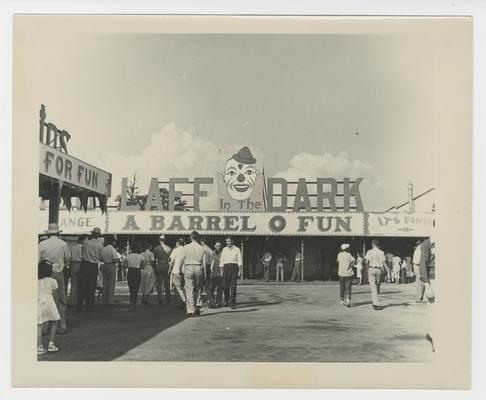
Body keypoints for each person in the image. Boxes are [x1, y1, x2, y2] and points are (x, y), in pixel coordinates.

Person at [38, 223, 71, 333]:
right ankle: (61, 326)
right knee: (61, 299)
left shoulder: (42, 244)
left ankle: (44, 328)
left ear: (48, 234)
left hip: (44, 274)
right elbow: (68, 259)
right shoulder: (63, 244)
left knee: (44, 298)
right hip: (58, 273)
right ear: (58, 233)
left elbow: (37, 261)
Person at [177, 231, 207, 317]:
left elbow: (181, 259)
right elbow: (204, 261)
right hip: (198, 267)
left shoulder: (186, 247)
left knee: (189, 289)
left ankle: (190, 309)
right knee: (198, 288)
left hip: (189, 267)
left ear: (191, 237)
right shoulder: (202, 248)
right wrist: (205, 272)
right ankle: (197, 306)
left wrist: (179, 269)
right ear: (198, 238)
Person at [77, 227, 103, 312]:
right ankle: (90, 307)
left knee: (81, 286)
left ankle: (79, 306)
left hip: (84, 265)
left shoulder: (85, 243)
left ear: (91, 234)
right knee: (91, 287)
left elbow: (82, 252)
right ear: (98, 235)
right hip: (93, 266)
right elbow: (100, 257)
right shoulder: (100, 245)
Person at [37, 260, 61, 355]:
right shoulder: (52, 281)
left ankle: (39, 346)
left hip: (38, 303)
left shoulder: (35, 281)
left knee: (39, 324)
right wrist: (57, 305)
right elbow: (55, 295)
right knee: (54, 322)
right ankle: (51, 344)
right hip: (50, 303)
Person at [420, 235, 436, 352]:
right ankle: (434, 339)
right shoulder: (428, 243)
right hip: (433, 280)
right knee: (434, 311)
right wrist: (427, 285)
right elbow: (422, 265)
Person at [221, 236, 243, 309]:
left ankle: (232, 303)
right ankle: (227, 299)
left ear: (232, 241)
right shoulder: (224, 249)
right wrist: (221, 270)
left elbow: (239, 260)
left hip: (234, 267)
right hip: (226, 267)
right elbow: (222, 260)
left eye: (229, 241)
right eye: (227, 241)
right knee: (224, 286)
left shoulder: (237, 249)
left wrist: (240, 270)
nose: (228, 243)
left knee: (233, 286)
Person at [365, 239, 386, 310]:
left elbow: (366, 261)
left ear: (372, 244)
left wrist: (367, 268)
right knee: (377, 285)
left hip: (371, 268)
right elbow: (384, 262)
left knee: (373, 287)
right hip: (379, 269)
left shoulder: (369, 252)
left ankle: (376, 303)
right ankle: (375, 302)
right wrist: (387, 270)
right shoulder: (381, 252)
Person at [100, 234, 120, 305]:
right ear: (112, 241)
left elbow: (101, 258)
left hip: (104, 265)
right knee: (111, 284)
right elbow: (115, 259)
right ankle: (110, 300)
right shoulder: (112, 249)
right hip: (111, 266)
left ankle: (104, 300)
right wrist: (118, 260)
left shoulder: (103, 248)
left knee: (105, 283)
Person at [68, 234, 87, 307]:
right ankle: (79, 301)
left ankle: (71, 301)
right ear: (82, 240)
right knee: (82, 284)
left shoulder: (73, 247)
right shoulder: (83, 247)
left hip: (73, 264)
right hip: (81, 264)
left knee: (73, 284)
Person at [153, 235, 172, 305]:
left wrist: (154, 267)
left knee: (159, 284)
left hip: (160, 265)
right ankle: (168, 298)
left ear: (159, 240)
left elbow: (154, 260)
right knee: (167, 284)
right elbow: (170, 259)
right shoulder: (168, 248)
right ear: (165, 240)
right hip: (166, 265)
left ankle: (160, 298)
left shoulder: (156, 249)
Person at [125, 242, 144, 311]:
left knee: (131, 288)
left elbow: (125, 266)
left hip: (130, 272)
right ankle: (134, 304)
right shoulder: (141, 257)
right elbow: (142, 266)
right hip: (137, 272)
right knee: (136, 288)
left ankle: (131, 304)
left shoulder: (127, 256)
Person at [169, 238, 187, 308]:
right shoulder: (186, 250)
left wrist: (170, 269)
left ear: (177, 243)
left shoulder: (175, 250)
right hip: (184, 271)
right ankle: (180, 302)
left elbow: (172, 261)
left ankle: (184, 301)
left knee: (177, 287)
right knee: (182, 287)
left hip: (176, 270)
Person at [208, 241, 223, 308]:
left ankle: (218, 302)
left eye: (219, 246)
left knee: (219, 289)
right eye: (217, 246)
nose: (218, 247)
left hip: (220, 274)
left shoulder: (222, 254)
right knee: (211, 289)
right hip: (213, 274)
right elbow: (209, 263)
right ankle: (211, 302)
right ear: (214, 246)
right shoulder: (212, 253)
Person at [201, 238, 214, 307]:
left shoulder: (202, 249)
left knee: (199, 287)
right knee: (207, 287)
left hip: (203, 268)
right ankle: (211, 301)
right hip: (209, 268)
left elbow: (204, 261)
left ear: (203, 242)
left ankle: (198, 302)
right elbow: (212, 261)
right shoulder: (210, 250)